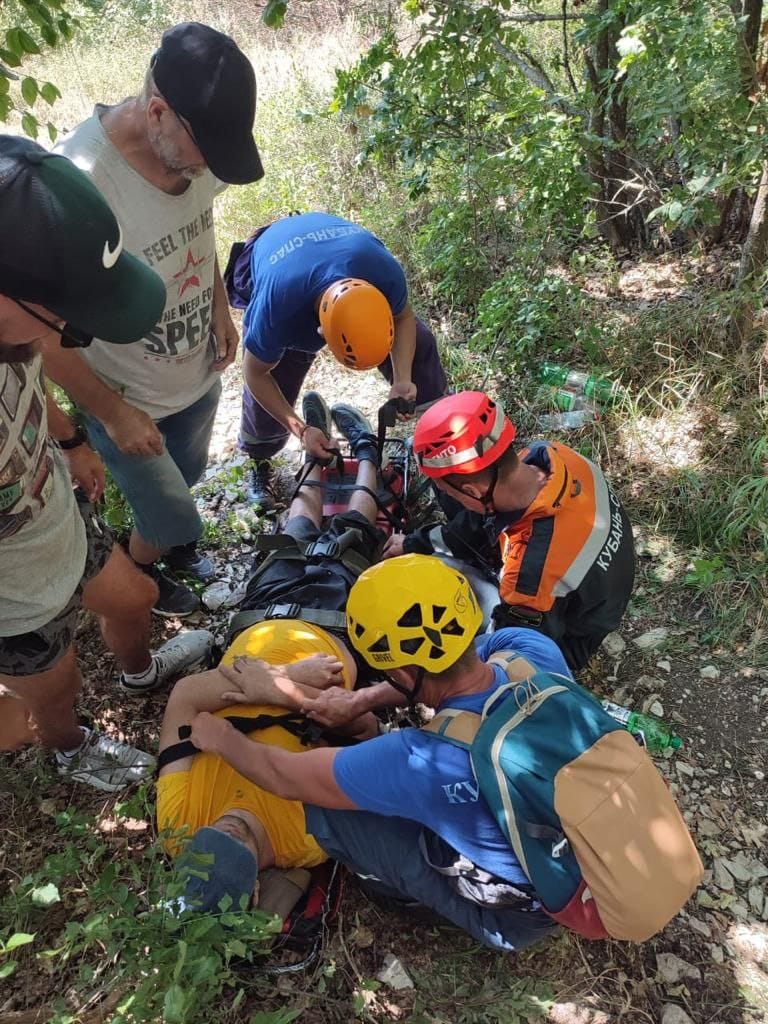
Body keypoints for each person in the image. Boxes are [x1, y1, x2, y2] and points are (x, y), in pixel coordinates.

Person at [186, 555, 568, 951]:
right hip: (582, 843)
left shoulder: (416, 760)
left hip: (520, 917)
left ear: (399, 674)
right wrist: (360, 701)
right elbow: (467, 659)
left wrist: (221, 737)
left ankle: (408, 893)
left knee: (328, 812)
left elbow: (284, 776)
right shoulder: (530, 649)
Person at [0, 136, 212, 790]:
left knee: (137, 596)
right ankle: (70, 748)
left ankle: (139, 673)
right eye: (68, 314)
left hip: (59, 520)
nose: (70, 333)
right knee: (51, 692)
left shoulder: (18, 324)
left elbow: (32, 372)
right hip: (12, 595)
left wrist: (70, 441)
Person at [45, 22, 264, 616]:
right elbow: (38, 332)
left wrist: (218, 302)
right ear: (160, 111)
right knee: (169, 514)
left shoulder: (196, 150)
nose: (206, 171)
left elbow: (200, 229)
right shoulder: (79, 183)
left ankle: (166, 542)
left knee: (185, 480)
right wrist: (112, 414)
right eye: (204, 157)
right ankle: (141, 563)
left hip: (194, 373)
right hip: (128, 397)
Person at [156, 393, 388, 911]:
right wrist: (291, 689)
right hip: (331, 631)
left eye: (209, 838)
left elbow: (183, 700)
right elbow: (365, 734)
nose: (226, 827)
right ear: (256, 886)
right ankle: (370, 453)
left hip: (258, 623)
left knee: (295, 531)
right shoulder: (304, 840)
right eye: (236, 848)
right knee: (351, 537)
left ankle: (317, 459)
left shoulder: (176, 827)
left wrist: (276, 679)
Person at [383, 391, 635, 672]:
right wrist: (414, 543)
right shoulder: (551, 455)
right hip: (599, 588)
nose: (445, 495)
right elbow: (476, 522)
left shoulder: (529, 579)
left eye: (447, 489)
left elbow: (514, 652)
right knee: (472, 525)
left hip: (573, 636)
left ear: (471, 490)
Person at [224, 211, 448, 509]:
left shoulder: (383, 272)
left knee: (419, 343)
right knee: (275, 383)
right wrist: (301, 429)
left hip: (337, 249)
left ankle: (438, 436)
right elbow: (254, 375)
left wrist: (403, 378)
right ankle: (260, 459)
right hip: (278, 259)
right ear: (320, 332)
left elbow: (403, 316)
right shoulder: (276, 309)